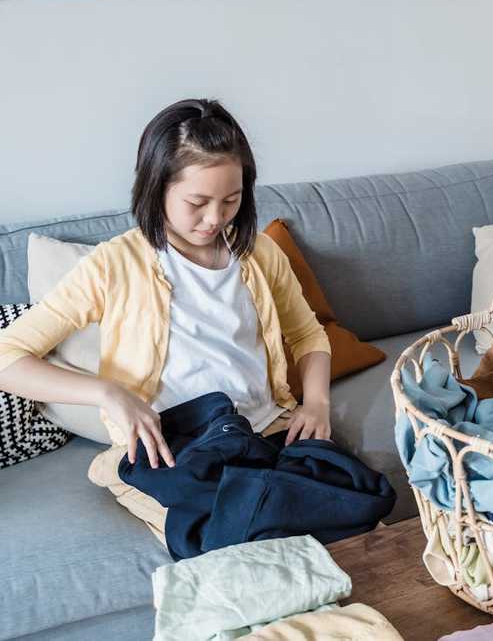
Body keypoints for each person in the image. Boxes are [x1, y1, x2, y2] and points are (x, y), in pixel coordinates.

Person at [0, 98, 334, 541]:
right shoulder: (114, 264)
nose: (215, 219)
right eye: (197, 202)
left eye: (231, 200)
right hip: (173, 449)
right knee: (235, 546)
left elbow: (307, 335)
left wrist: (317, 403)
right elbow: (8, 357)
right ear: (157, 186)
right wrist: (108, 393)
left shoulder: (258, 254)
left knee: (353, 522)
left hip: (267, 428)